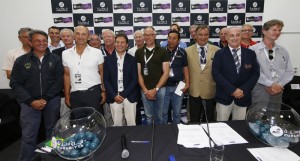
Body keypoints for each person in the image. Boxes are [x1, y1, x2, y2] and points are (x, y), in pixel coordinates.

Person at [10, 30, 63, 161]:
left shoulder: (55, 59)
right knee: (29, 136)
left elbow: (59, 81)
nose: (41, 43)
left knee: (53, 134)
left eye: (44, 41)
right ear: (30, 42)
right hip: (29, 103)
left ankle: (51, 159)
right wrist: (30, 100)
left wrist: (45, 98)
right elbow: (15, 83)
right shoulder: (21, 61)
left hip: (51, 101)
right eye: (37, 41)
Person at [212, 27, 260, 121]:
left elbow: (255, 74)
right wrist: (232, 90)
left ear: (241, 36)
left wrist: (242, 90)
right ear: (226, 37)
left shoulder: (250, 53)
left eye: (238, 35)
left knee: (239, 127)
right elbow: (216, 74)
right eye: (232, 35)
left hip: (243, 96)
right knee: (221, 127)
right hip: (224, 97)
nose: (235, 38)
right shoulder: (219, 54)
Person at [62, 25, 105, 114]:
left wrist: (104, 91)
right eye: (78, 34)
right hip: (75, 94)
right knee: (78, 124)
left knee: (96, 124)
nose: (80, 37)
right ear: (74, 35)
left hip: (94, 93)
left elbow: (102, 73)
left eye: (83, 34)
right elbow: (66, 75)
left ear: (88, 36)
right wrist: (67, 95)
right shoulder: (65, 54)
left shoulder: (97, 52)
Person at [250, 19, 294, 104]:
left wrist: (279, 85)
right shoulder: (253, 50)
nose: (277, 32)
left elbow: (289, 71)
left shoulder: (283, 50)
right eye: (274, 30)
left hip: (278, 90)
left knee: (274, 115)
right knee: (258, 116)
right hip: (260, 89)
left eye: (279, 30)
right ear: (264, 31)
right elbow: (253, 71)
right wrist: (270, 84)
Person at [135, 26, 170, 125]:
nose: (147, 37)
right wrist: (146, 91)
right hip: (145, 90)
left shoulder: (163, 51)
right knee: (148, 117)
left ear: (155, 36)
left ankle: (160, 137)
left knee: (160, 116)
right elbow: (138, 73)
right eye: (145, 35)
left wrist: (156, 89)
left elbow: (166, 73)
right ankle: (149, 136)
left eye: (150, 35)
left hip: (160, 89)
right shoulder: (139, 52)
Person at [185, 25, 220, 123]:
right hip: (194, 91)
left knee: (209, 121)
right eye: (200, 35)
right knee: (194, 121)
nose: (203, 37)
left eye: (206, 35)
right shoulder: (187, 51)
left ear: (209, 36)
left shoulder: (217, 50)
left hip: (210, 90)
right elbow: (185, 71)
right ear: (195, 35)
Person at [104, 33, 139, 126]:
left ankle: (131, 140)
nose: (120, 44)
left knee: (131, 123)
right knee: (117, 124)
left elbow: (135, 80)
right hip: (114, 96)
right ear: (114, 43)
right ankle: (118, 140)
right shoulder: (107, 60)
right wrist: (115, 95)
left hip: (129, 95)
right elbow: (106, 80)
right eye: (118, 42)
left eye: (122, 42)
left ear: (127, 44)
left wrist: (122, 94)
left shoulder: (132, 60)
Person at [162, 30, 189, 124]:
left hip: (179, 85)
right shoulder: (161, 52)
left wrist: (187, 83)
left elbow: (185, 68)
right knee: (163, 112)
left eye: (174, 38)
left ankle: (177, 132)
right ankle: (164, 131)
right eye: (169, 38)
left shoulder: (182, 52)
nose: (171, 40)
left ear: (178, 40)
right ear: (167, 39)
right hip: (164, 86)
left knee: (177, 112)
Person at [52, 28, 74, 117]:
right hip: (63, 90)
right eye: (63, 36)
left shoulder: (81, 50)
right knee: (65, 116)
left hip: (80, 88)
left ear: (73, 37)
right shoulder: (55, 53)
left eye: (68, 36)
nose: (66, 38)